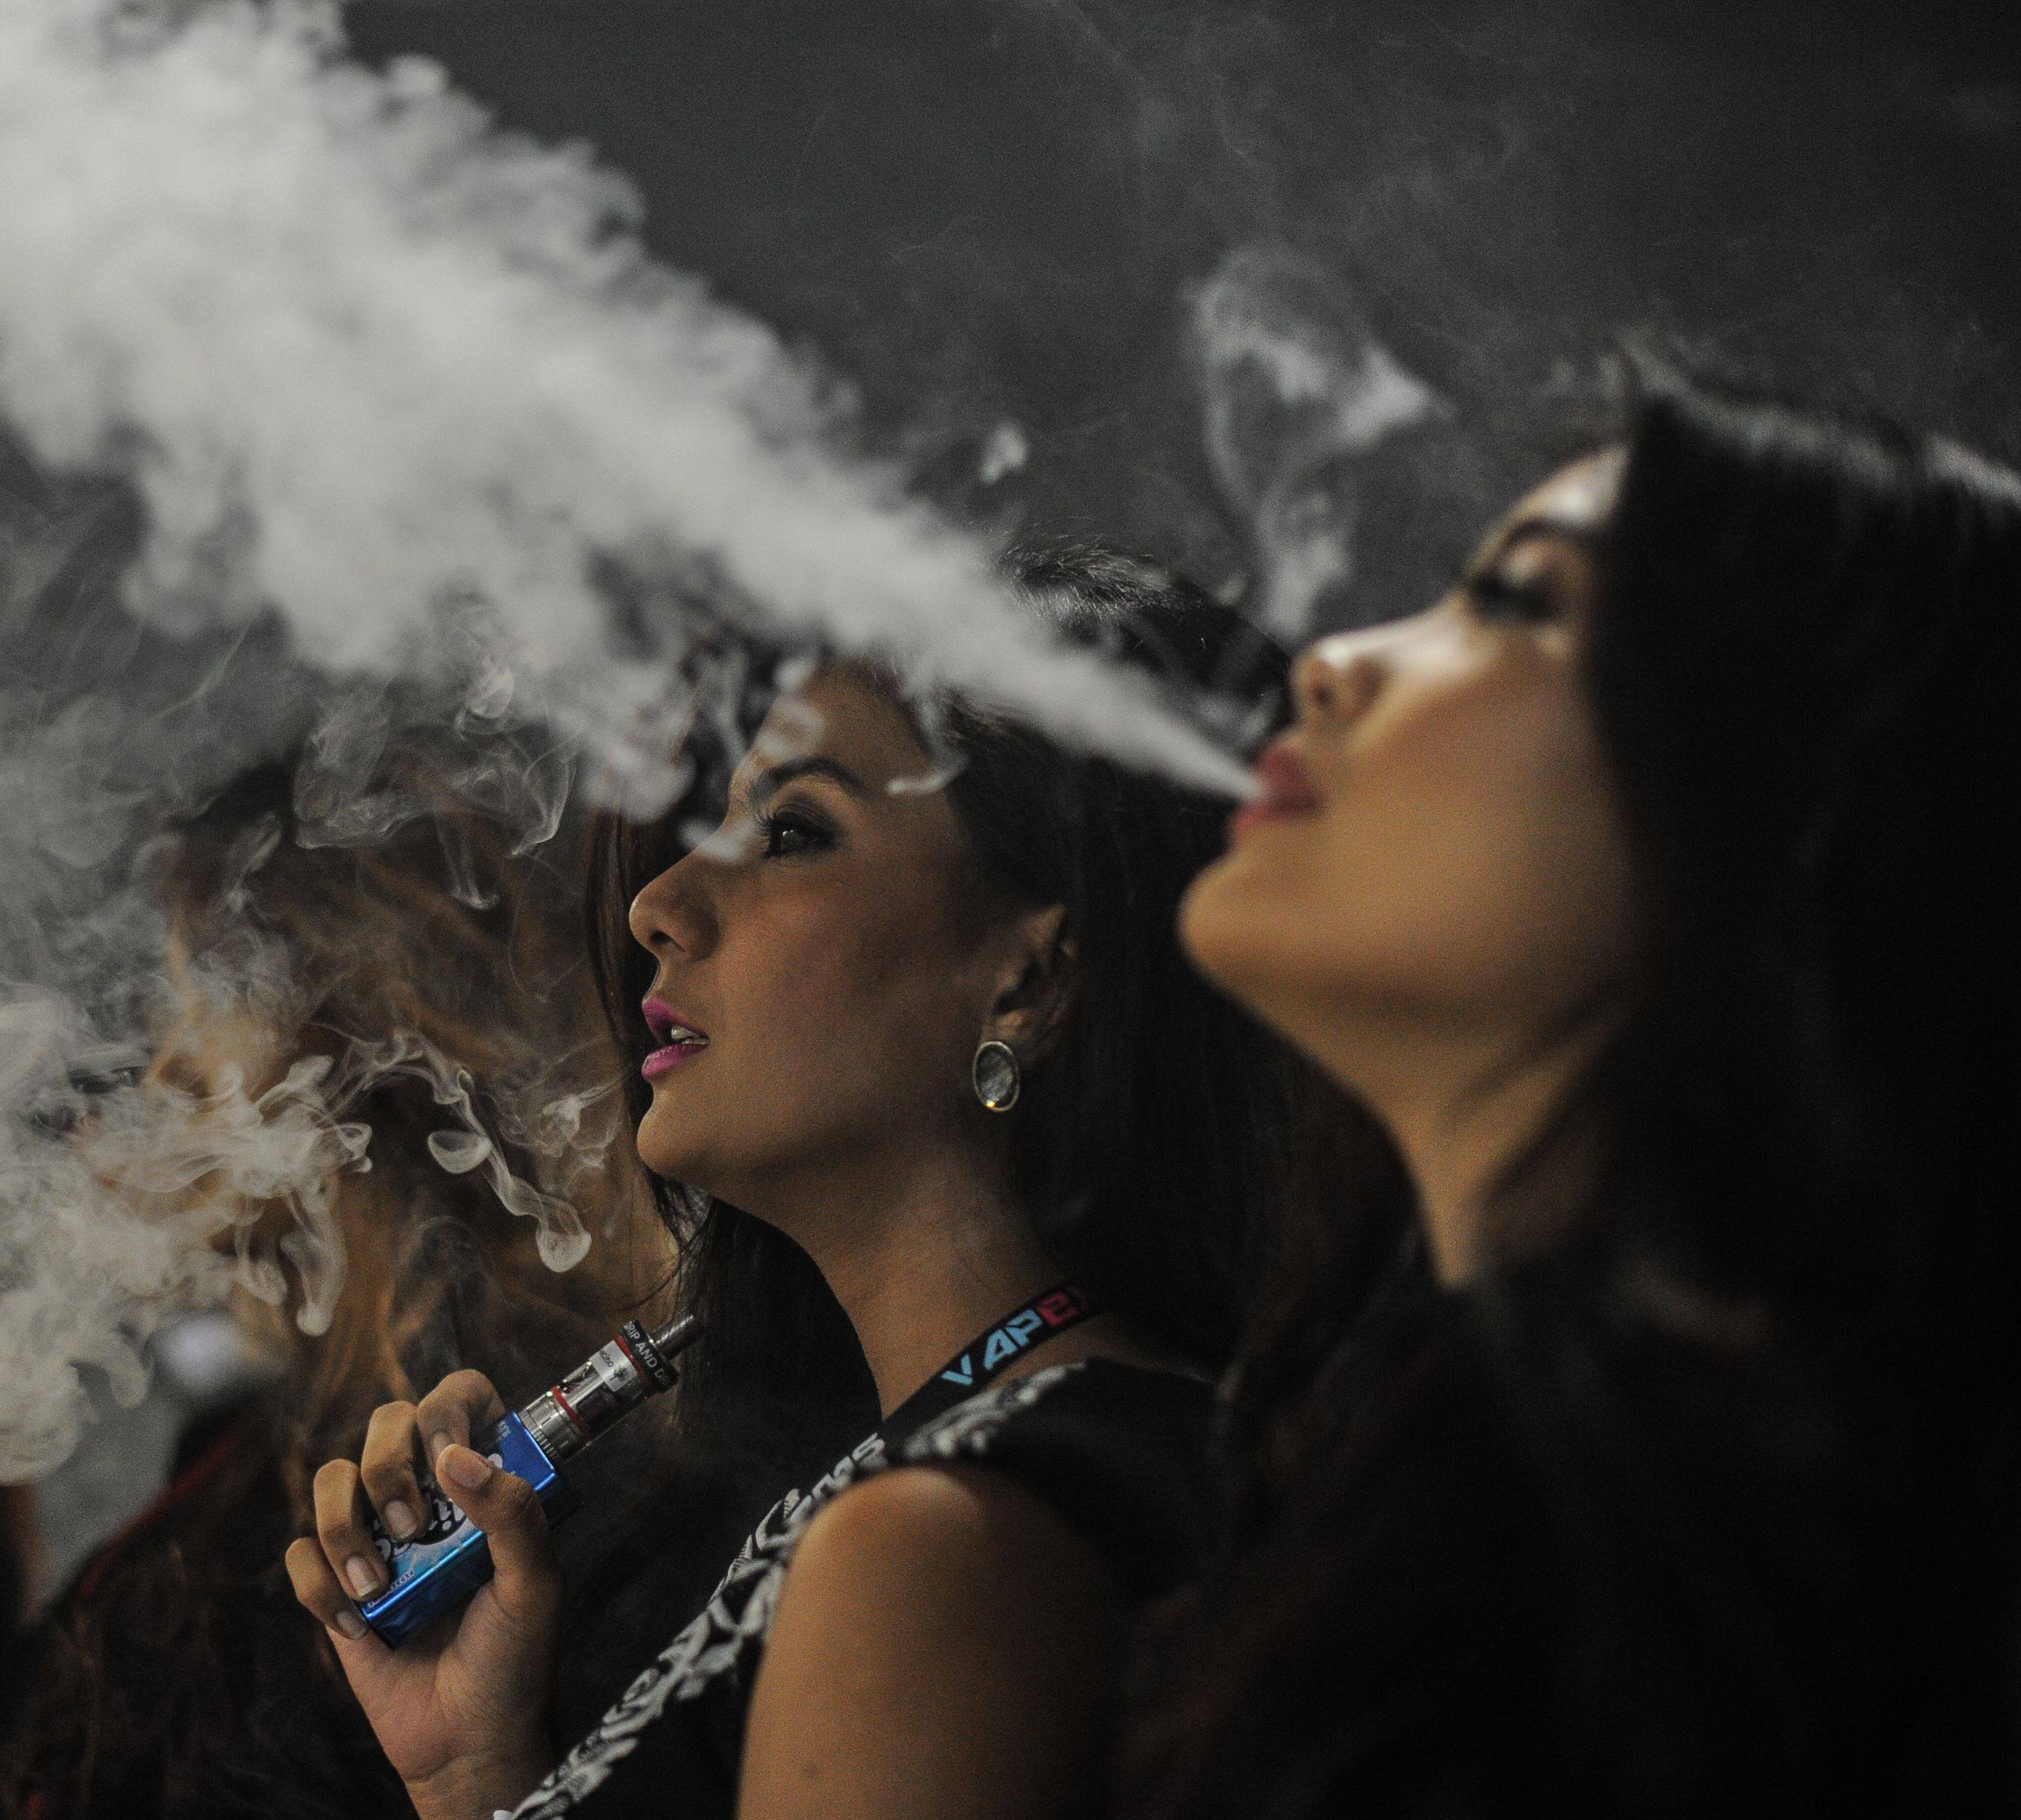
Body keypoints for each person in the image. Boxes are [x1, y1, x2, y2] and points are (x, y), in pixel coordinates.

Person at [1121, 365, 2021, 1816]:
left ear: (1785, 810)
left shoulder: (1738, 1610)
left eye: (1520, 603)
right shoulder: (1465, 1472)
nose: (1332, 659)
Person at [288, 549, 1305, 1820]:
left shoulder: (947, 1544)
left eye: (790, 830)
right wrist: (476, 1770)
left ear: (1030, 981)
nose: (658, 903)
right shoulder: (955, 1476)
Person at [0, 755, 721, 1820]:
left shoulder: (516, 1462)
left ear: (382, 1015)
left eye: (210, 998)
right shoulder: (237, 1450)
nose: (164, 1074)